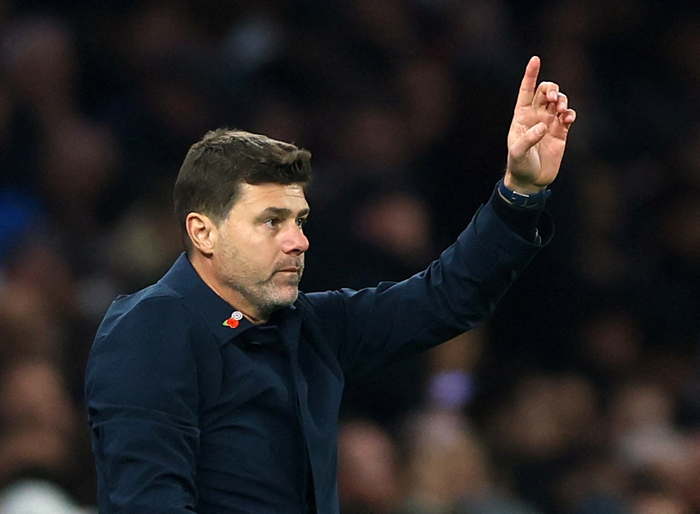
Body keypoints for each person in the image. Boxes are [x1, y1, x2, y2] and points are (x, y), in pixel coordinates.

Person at [84, 56, 576, 514]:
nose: (298, 241)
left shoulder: (312, 326)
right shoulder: (152, 329)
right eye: (271, 221)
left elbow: (445, 297)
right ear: (203, 232)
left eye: (299, 220)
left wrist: (520, 191)